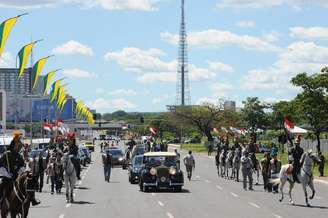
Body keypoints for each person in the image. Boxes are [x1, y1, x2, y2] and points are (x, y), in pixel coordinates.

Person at [0, 132, 40, 205]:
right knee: (1, 184)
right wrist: (7, 174)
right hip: (7, 176)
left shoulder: (19, 156)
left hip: (17, 176)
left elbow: (22, 166)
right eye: (16, 145)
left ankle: (32, 199)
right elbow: (1, 165)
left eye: (18, 146)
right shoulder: (6, 154)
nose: (17, 147)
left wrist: (21, 172)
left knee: (29, 182)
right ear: (12, 145)